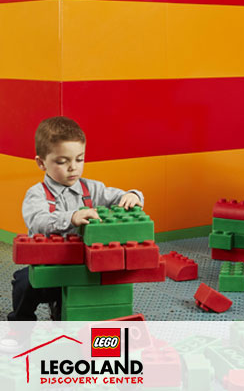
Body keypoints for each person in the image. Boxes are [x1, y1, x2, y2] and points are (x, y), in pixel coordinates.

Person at [8, 116, 144, 323]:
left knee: (73, 310)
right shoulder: (37, 194)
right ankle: (20, 323)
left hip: (83, 267)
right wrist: (71, 217)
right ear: (41, 162)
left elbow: (119, 196)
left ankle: (62, 316)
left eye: (79, 159)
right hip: (50, 266)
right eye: (62, 161)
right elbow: (38, 221)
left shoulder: (93, 189)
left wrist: (133, 195)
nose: (73, 167)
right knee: (24, 283)